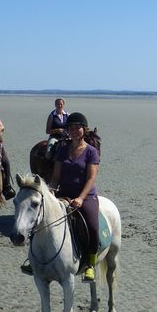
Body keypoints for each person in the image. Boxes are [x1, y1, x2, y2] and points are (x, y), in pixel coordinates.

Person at [50, 111, 100, 281]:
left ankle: (91, 264)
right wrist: (51, 190)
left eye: (77, 128)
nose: (74, 130)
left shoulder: (91, 152)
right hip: (64, 195)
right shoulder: (62, 150)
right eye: (70, 128)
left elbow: (91, 178)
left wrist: (80, 198)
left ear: (84, 130)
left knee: (92, 227)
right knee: (42, 219)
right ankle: (34, 258)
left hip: (85, 197)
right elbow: (56, 176)